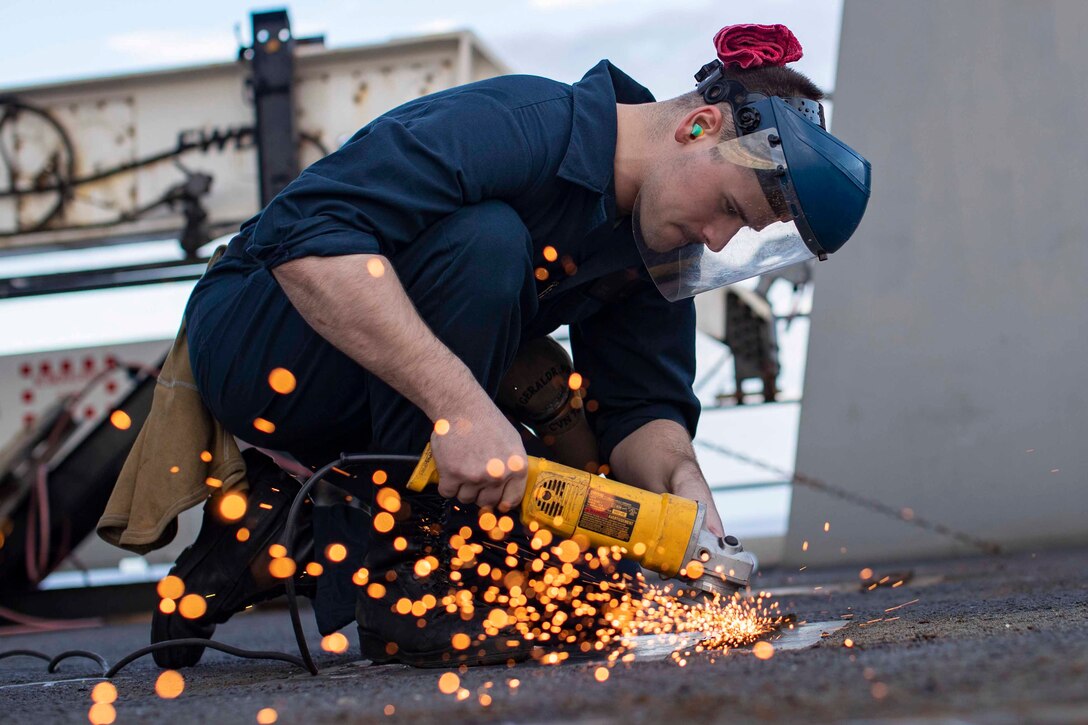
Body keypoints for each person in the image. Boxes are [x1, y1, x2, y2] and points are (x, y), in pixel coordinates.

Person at [153, 23, 871, 668]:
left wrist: (683, 493)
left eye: (738, 233)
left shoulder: (650, 239)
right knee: (487, 246)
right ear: (700, 126)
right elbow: (305, 241)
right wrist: (460, 406)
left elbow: (636, 408)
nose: (717, 238)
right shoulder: (522, 125)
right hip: (256, 335)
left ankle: (273, 529)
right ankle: (408, 586)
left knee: (585, 592)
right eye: (727, 209)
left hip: (378, 396)